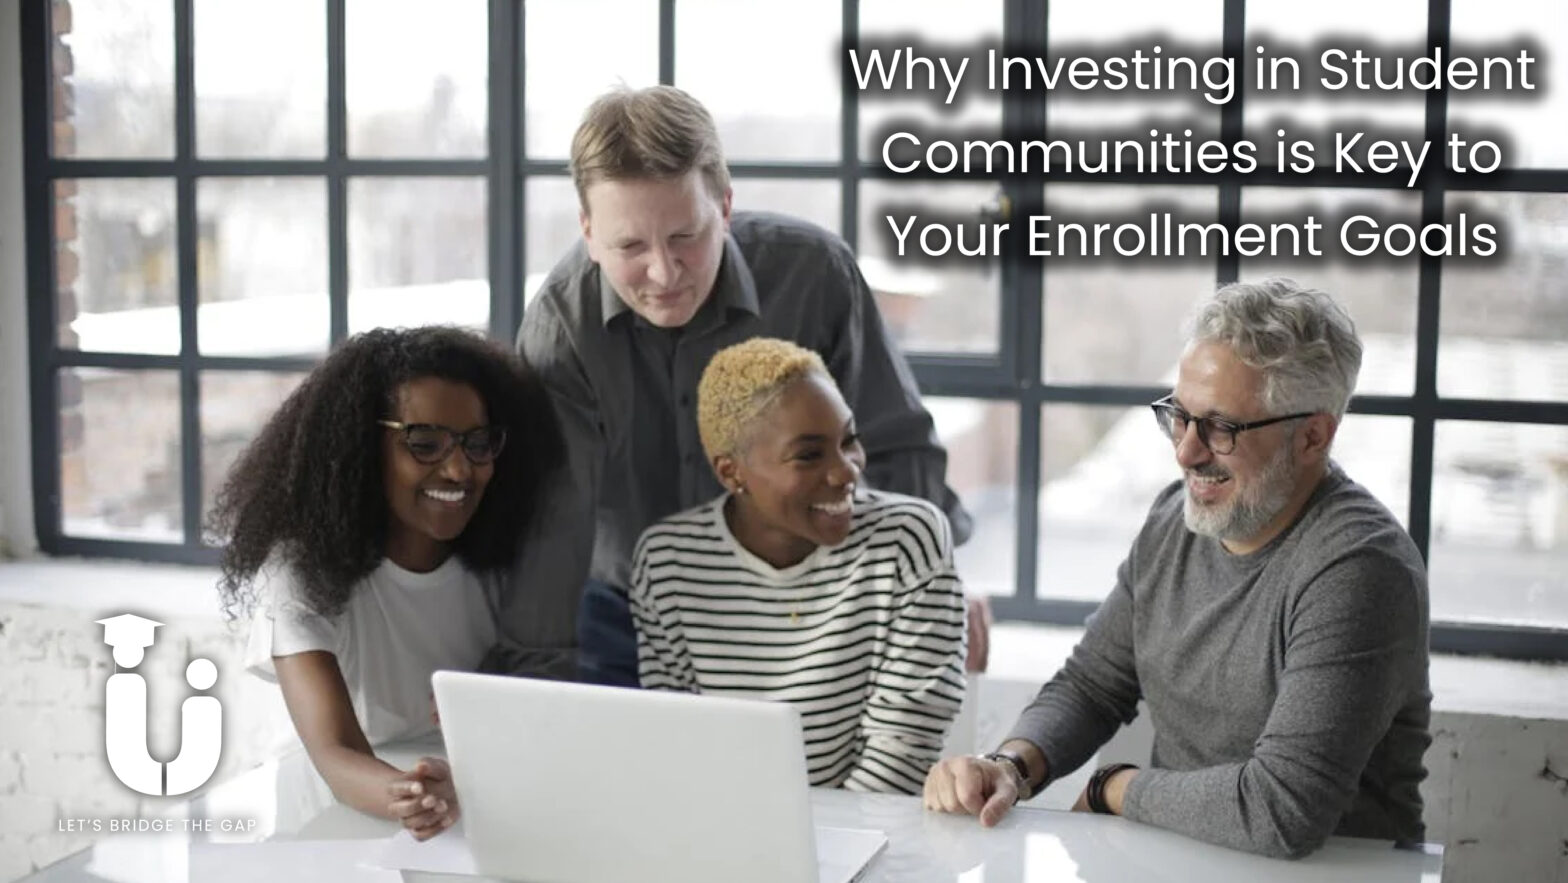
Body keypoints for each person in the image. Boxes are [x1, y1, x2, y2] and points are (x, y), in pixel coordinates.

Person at [923, 279, 1432, 859]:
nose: (1186, 452)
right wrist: (1011, 765)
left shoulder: (1359, 569)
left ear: (1313, 436)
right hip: (1181, 856)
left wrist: (1110, 786)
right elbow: (1093, 684)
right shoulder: (1175, 516)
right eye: (1180, 416)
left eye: (1221, 428)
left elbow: (1282, 810)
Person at [502, 84, 981, 686]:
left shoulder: (813, 276)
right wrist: (523, 684)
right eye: (629, 245)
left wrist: (931, 589)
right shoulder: (560, 326)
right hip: (622, 615)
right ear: (589, 231)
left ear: (725, 207)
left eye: (686, 236)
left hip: (807, 607)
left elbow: (893, 445)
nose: (663, 272)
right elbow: (550, 527)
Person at [212, 326, 563, 840]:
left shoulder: (508, 559)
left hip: (469, 805)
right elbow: (337, 753)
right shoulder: (301, 571)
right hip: (331, 818)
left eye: (478, 443)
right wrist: (414, 796)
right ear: (358, 449)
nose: (460, 469)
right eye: (424, 444)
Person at [632, 338, 967, 794]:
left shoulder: (908, 539)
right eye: (809, 455)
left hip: (869, 838)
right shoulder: (667, 561)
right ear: (731, 473)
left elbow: (903, 747)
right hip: (723, 832)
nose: (846, 470)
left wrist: (824, 854)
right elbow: (679, 740)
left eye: (848, 440)